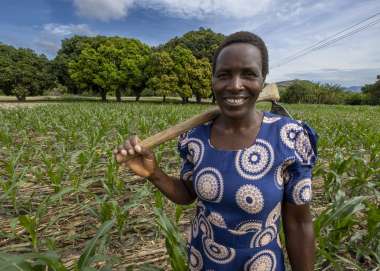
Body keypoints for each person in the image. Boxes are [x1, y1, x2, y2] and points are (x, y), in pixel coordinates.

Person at [114, 31, 317, 271]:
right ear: (212, 80)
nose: (235, 85)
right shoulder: (194, 136)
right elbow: (187, 194)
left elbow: (299, 223)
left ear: (263, 80)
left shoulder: (288, 137)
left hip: (260, 263)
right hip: (204, 258)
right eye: (224, 75)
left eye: (248, 74)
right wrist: (153, 173)